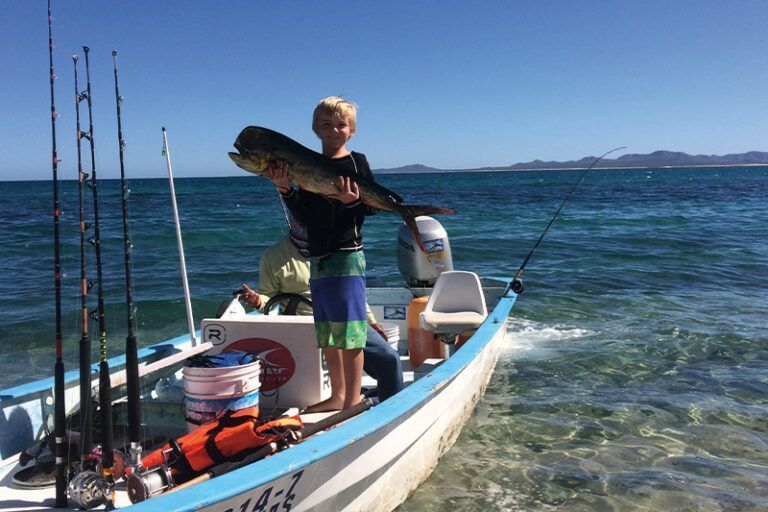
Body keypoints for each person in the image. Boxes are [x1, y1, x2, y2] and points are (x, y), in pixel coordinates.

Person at [264, 96, 380, 412]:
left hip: (346, 256)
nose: (333, 130)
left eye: (341, 124)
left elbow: (369, 207)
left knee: (351, 332)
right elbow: (304, 215)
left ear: (351, 130)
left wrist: (350, 201)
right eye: (326, 124)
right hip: (318, 259)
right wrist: (285, 188)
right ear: (316, 129)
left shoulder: (357, 163)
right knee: (328, 331)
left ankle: (353, 400)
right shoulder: (307, 167)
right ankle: (338, 396)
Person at [240, 233, 403, 402]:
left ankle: (391, 408)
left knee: (390, 359)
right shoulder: (272, 257)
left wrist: (371, 321)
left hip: (345, 318)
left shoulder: (337, 248)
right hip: (306, 325)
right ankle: (347, 398)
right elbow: (269, 299)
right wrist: (258, 300)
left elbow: (353, 292)